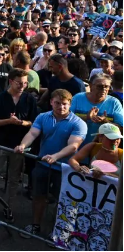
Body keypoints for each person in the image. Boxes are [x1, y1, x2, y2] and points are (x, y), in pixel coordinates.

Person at [15, 89, 87, 238]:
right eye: (58, 103)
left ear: (70, 104)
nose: (61, 107)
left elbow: (73, 145)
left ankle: (59, 230)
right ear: (51, 102)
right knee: (38, 196)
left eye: (65, 104)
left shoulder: (79, 123)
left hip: (65, 169)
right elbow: (33, 133)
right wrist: (22, 145)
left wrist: (56, 156)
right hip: (42, 165)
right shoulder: (42, 117)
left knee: (63, 201)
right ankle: (35, 225)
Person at [0, 68, 38, 218]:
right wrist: (9, 121)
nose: (22, 86)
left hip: (19, 146)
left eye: (25, 83)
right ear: (11, 82)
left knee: (14, 179)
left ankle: (8, 207)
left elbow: (34, 122)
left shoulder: (30, 99)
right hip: (0, 144)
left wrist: (22, 123)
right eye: (19, 83)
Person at [70, 73, 123, 145]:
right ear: (91, 86)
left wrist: (105, 121)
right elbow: (66, 120)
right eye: (100, 86)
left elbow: (120, 128)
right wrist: (86, 117)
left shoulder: (114, 103)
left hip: (101, 148)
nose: (104, 89)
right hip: (76, 144)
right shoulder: (78, 98)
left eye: (107, 87)